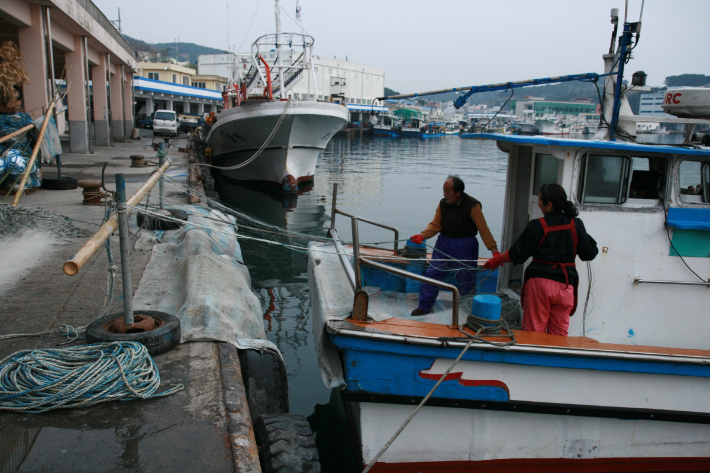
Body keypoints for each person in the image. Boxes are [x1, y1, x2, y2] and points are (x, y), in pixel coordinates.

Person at [482, 183, 598, 336]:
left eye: (540, 200)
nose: (538, 203)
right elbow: (589, 253)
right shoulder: (576, 224)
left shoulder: (537, 226)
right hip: (565, 286)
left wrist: (497, 260)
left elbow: (517, 254)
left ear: (549, 205)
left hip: (540, 286)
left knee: (534, 332)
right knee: (559, 333)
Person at [410, 176, 499, 316]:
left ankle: (467, 309)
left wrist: (494, 251)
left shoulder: (473, 206)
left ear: (458, 193)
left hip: (465, 245)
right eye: (443, 191)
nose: (444, 194)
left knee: (466, 279)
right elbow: (435, 225)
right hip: (444, 242)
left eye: (447, 191)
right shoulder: (443, 203)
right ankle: (424, 306)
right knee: (433, 274)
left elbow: (484, 230)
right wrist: (423, 235)